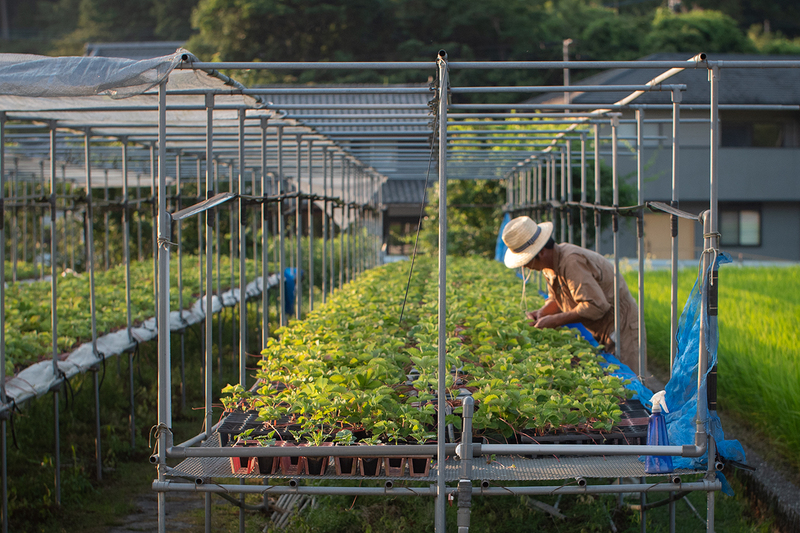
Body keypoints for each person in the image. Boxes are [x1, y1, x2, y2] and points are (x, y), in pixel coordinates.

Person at [501, 215, 643, 375]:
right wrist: (543, 313)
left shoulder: (571, 262)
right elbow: (558, 299)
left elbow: (596, 306)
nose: (526, 266)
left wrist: (555, 320)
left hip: (619, 326)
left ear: (540, 254)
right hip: (599, 327)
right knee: (610, 376)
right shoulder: (549, 266)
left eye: (526, 261)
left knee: (627, 384)